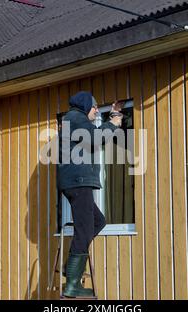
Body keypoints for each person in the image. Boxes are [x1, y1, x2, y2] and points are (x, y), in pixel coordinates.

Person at [57, 91, 123, 297]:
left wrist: (113, 116)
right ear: (86, 106)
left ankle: (70, 267)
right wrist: (113, 123)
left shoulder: (75, 120)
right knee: (84, 231)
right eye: (95, 108)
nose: (96, 111)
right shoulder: (75, 118)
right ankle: (72, 284)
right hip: (79, 183)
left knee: (98, 221)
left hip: (77, 182)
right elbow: (96, 137)